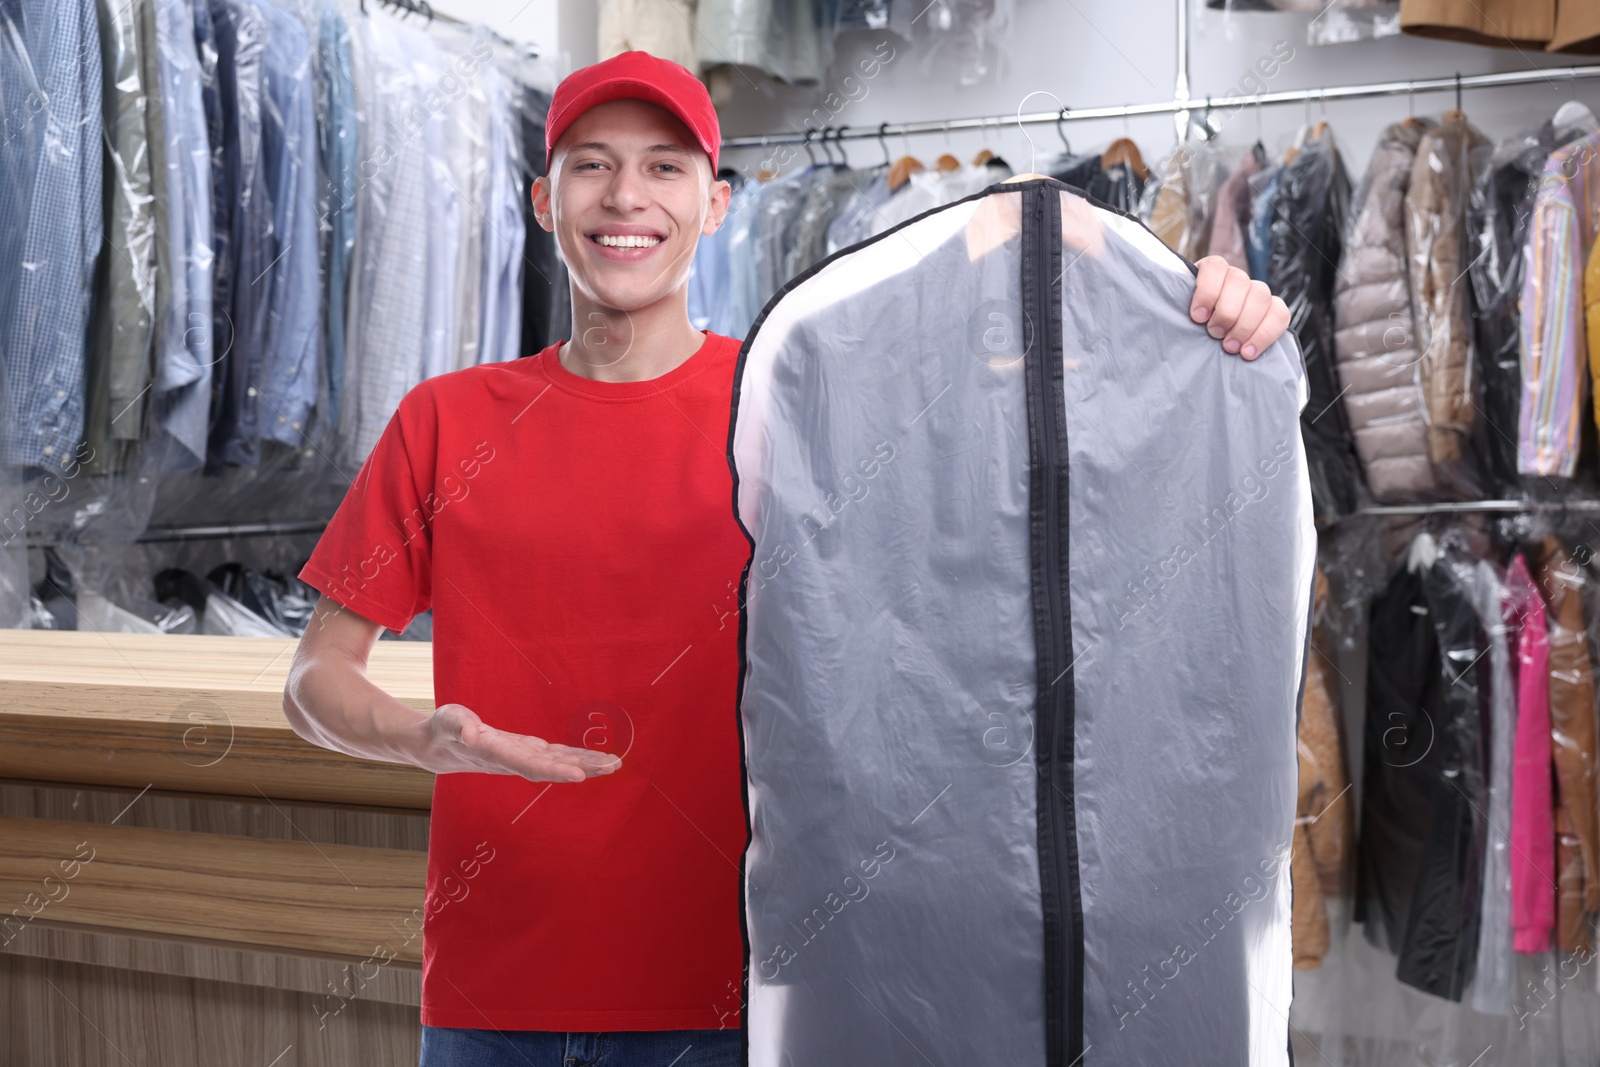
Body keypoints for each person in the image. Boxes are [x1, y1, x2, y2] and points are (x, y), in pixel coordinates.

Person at [282, 50, 1294, 1067]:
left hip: (745, 993)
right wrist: (423, 736)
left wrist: (1196, 314)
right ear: (544, 201)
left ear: (717, 204)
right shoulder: (447, 422)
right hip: (491, 989)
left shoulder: (804, 405)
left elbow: (1053, 472)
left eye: (664, 167)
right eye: (591, 167)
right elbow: (314, 681)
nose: (625, 196)